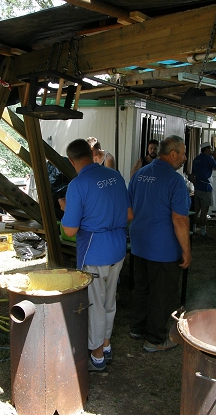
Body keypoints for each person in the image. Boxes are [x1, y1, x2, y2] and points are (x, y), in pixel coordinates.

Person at [58, 139, 132, 372]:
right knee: (110, 300)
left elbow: (70, 230)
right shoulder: (116, 176)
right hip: (118, 248)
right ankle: (106, 344)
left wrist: (66, 209)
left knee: (95, 304)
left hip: (95, 251)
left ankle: (97, 356)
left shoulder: (78, 185)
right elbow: (129, 214)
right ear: (91, 153)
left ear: (71, 161)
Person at [128, 135, 191, 352]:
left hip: (139, 242)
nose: (184, 158)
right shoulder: (175, 180)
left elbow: (129, 209)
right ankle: (154, 339)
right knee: (161, 292)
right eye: (182, 154)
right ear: (172, 154)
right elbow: (180, 219)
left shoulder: (140, 175)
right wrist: (186, 250)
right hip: (162, 246)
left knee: (142, 287)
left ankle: (137, 328)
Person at [191, 141, 216, 236]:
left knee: (196, 210)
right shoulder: (209, 159)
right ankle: (203, 231)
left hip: (197, 187)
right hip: (206, 187)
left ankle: (193, 228)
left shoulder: (196, 159)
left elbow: (192, 174)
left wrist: (195, 184)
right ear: (207, 149)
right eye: (210, 149)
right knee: (204, 211)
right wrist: (215, 157)